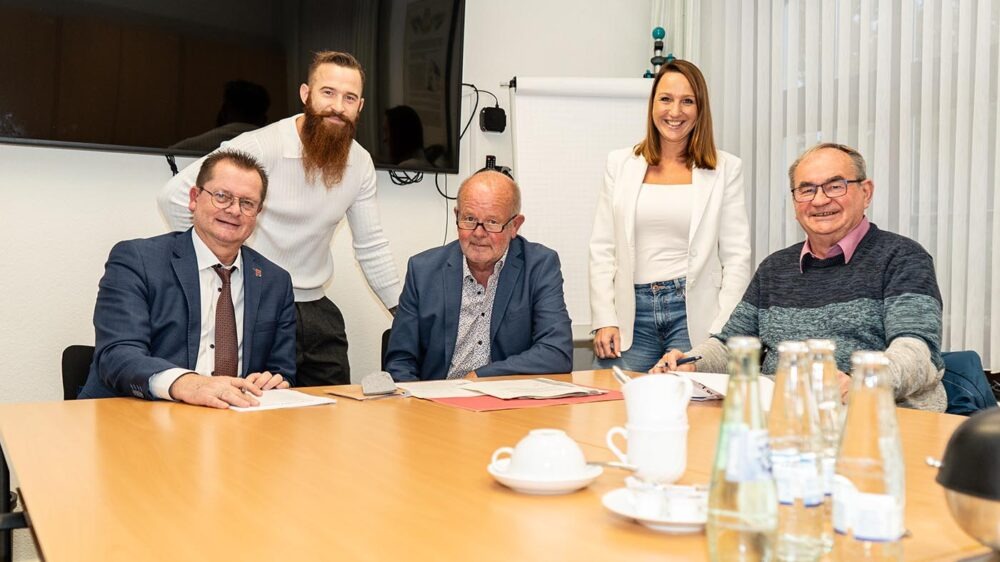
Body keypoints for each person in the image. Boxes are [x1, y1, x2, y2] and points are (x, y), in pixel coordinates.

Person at [159, 51, 401, 387]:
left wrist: (402, 314)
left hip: (317, 309)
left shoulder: (360, 163)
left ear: (360, 107)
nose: (337, 107)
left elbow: (372, 246)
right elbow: (174, 196)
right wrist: (218, 260)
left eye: (349, 98)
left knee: (333, 415)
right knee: (255, 413)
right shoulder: (259, 146)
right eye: (327, 93)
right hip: (257, 303)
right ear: (306, 95)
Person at [655, 143, 947, 412]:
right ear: (795, 202)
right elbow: (732, 345)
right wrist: (691, 364)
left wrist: (860, 383)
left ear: (866, 192)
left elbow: (917, 353)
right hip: (784, 419)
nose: (819, 200)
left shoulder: (903, 257)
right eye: (806, 190)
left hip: (876, 422)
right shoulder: (775, 268)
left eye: (835, 186)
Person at [79, 150, 296, 408]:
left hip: (234, 425)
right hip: (137, 417)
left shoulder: (276, 282)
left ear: (257, 213)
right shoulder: (137, 260)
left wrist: (272, 382)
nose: (234, 210)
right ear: (194, 198)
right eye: (222, 196)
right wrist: (186, 383)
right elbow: (117, 355)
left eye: (247, 203)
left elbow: (283, 371)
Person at [589, 59, 752, 373]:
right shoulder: (620, 163)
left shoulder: (726, 169)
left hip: (693, 316)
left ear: (700, 108)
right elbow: (602, 248)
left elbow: (737, 257)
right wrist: (604, 319)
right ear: (652, 105)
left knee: (694, 410)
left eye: (687, 101)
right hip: (630, 317)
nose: (675, 112)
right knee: (611, 404)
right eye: (666, 99)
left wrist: (720, 333)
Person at [384, 169, 573, 382]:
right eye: (470, 219)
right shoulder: (423, 270)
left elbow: (557, 352)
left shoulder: (539, 266)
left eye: (492, 222)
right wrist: (419, 406)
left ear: (515, 226)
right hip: (441, 404)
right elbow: (400, 361)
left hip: (508, 404)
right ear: (457, 216)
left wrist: (482, 376)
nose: (479, 233)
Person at [169, 80, 271, 152]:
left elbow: (167, 154)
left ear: (224, 111)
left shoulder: (200, 143)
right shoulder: (275, 144)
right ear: (264, 119)